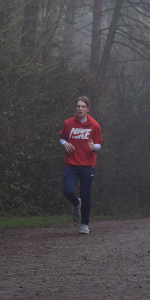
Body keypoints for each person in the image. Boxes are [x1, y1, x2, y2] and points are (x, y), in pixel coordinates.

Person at [59, 96, 103, 234]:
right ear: (75, 108)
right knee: (68, 191)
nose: (80, 109)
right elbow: (62, 137)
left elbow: (99, 145)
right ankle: (76, 203)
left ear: (88, 109)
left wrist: (93, 146)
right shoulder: (68, 123)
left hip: (87, 165)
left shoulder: (94, 125)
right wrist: (65, 143)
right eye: (78, 106)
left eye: (83, 107)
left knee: (85, 195)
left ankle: (84, 224)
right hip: (71, 164)